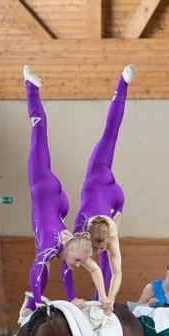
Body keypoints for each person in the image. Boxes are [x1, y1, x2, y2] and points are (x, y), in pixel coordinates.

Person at [23, 65, 113, 315]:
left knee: (40, 133)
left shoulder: (68, 245)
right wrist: (39, 299)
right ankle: (30, 86)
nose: (75, 265)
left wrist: (101, 297)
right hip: (44, 190)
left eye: (78, 262)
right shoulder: (54, 246)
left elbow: (91, 268)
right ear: (72, 249)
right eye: (77, 261)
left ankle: (33, 89)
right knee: (38, 132)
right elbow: (37, 268)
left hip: (56, 202)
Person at [62, 64, 137, 309]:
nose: (95, 251)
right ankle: (99, 299)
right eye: (96, 247)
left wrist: (111, 299)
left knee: (110, 132)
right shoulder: (82, 231)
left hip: (112, 195)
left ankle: (122, 83)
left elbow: (119, 272)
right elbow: (68, 260)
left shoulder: (109, 236)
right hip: (107, 188)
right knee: (109, 134)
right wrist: (75, 294)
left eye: (98, 247)